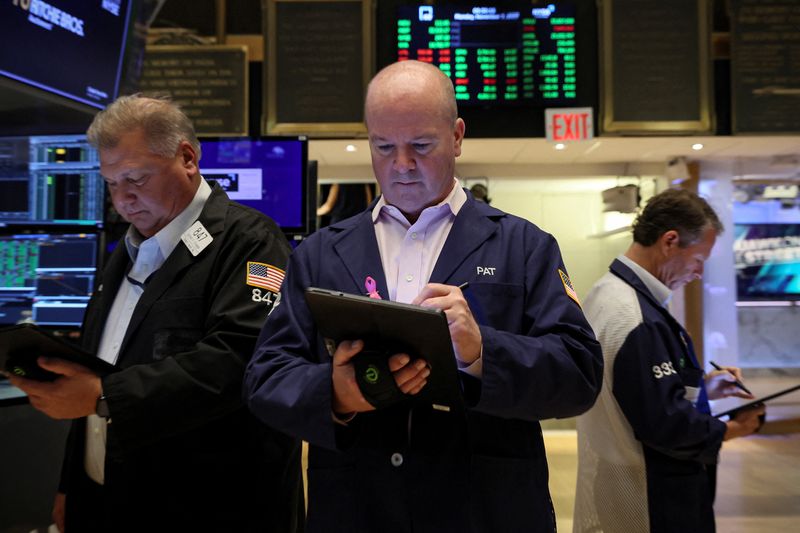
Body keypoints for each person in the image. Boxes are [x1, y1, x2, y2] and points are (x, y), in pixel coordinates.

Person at [244, 60, 603, 533]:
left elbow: (580, 373)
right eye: (384, 146)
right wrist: (334, 394)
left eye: (421, 145)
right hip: (358, 509)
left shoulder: (524, 246)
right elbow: (266, 377)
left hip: (487, 509)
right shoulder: (319, 255)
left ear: (456, 136)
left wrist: (481, 351)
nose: (401, 164)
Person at [8, 95, 303, 533]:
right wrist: (71, 484)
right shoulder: (125, 253)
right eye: (110, 183)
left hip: (210, 509)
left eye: (135, 178)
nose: (122, 199)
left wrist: (105, 396)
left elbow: (238, 361)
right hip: (107, 498)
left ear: (187, 158)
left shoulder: (251, 241)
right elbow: (93, 367)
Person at [573, 189, 765, 533]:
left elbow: (636, 389)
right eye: (698, 260)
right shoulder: (633, 316)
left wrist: (704, 389)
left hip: (620, 480)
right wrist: (733, 430)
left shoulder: (607, 292)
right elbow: (665, 425)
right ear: (670, 242)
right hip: (650, 497)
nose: (698, 273)